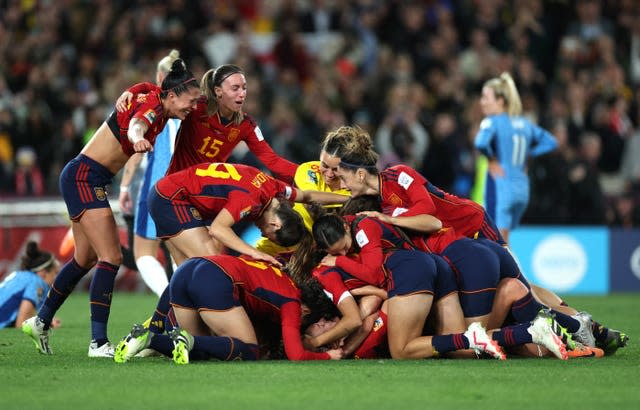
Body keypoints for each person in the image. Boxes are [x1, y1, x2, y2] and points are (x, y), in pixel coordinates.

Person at [21, 59, 202, 358]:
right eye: (190, 101)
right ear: (172, 96)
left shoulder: (155, 96)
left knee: (84, 259)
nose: (192, 108)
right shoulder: (154, 110)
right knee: (111, 256)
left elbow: (147, 88)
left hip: (84, 175)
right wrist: (138, 138)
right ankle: (98, 343)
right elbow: (136, 125)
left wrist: (130, 89)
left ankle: (40, 321)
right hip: (85, 177)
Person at [114, 254, 343, 363]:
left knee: (200, 352)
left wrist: (157, 321)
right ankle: (173, 339)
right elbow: (296, 355)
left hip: (188, 270)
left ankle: (149, 339)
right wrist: (328, 355)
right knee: (249, 351)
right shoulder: (293, 303)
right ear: (306, 311)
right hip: (213, 278)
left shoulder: (272, 271)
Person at [117, 64, 298, 182]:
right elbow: (162, 95)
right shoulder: (196, 107)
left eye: (244, 88)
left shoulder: (246, 125)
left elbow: (272, 161)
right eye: (235, 88)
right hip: (175, 185)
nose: (242, 94)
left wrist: (307, 172)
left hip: (206, 192)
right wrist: (134, 90)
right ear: (218, 91)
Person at [118, 49, 183, 297]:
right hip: (188, 188)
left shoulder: (155, 104)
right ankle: (189, 308)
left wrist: (124, 188)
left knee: (143, 254)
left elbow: (137, 150)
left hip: (156, 187)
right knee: (181, 252)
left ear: (159, 75)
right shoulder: (194, 108)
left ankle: (171, 304)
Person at [474, 72, 558, 243]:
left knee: (495, 242)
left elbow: (480, 143)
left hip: (500, 186)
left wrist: (490, 159)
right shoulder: (524, 123)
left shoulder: (492, 121)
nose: (481, 102)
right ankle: (509, 268)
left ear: (500, 101)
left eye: (485, 97)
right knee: (503, 241)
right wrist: (528, 154)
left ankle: (509, 269)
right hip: (521, 188)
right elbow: (551, 142)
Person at [0, 242, 59, 330]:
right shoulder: (36, 282)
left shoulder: (19, 275)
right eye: (55, 273)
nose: (56, 278)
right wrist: (45, 324)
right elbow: (21, 323)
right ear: (43, 272)